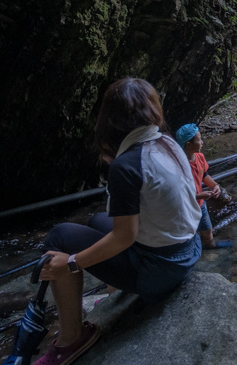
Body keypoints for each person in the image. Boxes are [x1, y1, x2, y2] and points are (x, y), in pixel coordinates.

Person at [35, 78, 202, 365]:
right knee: (99, 219)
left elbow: (124, 237)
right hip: (189, 249)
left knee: (60, 237)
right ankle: (115, 293)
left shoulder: (127, 165)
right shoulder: (167, 142)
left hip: (160, 272)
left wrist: (72, 262)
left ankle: (71, 339)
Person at [176, 124, 233, 249]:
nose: (202, 142)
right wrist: (199, 195)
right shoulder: (179, 166)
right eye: (199, 139)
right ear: (188, 145)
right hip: (185, 207)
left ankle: (210, 244)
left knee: (207, 228)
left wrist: (214, 185)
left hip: (200, 204)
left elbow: (204, 175)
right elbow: (177, 193)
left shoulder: (200, 157)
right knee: (187, 233)